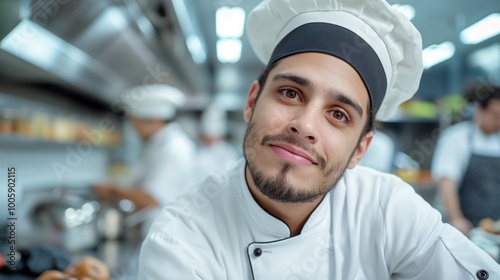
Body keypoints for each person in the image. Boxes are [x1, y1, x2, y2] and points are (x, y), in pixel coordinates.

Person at [139, 0, 500, 278]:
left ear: (361, 150)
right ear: (252, 101)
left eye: (339, 114)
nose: (305, 125)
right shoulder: (179, 242)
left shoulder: (386, 208)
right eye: (291, 93)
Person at [93, 84, 197, 235]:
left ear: (154, 120)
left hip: (166, 233)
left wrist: (112, 189)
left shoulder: (173, 149)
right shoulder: (159, 145)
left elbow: (152, 199)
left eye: (135, 122)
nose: (133, 129)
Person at [431, 83, 500, 236]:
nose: (498, 122)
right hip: (467, 229)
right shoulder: (456, 138)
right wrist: (457, 219)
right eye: (495, 116)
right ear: (479, 110)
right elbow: (447, 181)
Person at [195, 104, 240, 181]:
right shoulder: (199, 152)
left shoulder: (229, 153)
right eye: (207, 138)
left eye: (212, 138)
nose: (210, 141)